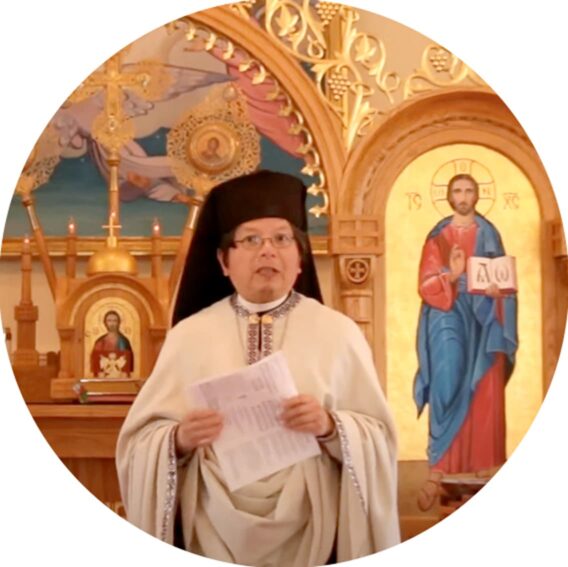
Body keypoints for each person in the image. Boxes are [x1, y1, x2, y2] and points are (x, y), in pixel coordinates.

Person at [116, 170, 400, 565]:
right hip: (210, 534)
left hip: (315, 533)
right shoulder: (190, 336)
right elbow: (137, 444)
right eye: (250, 239)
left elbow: (380, 440)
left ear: (299, 258)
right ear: (223, 260)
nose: (268, 251)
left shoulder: (339, 334)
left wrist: (331, 427)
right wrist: (179, 438)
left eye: (282, 239)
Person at [413, 173, 518, 510]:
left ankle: (486, 468)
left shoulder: (489, 233)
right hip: (446, 315)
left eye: (469, 190)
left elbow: (503, 279)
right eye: (457, 190)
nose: (463, 196)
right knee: (446, 382)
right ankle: (439, 468)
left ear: (476, 196)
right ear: (448, 195)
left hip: (484, 317)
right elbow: (426, 284)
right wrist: (453, 275)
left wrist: (496, 292)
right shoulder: (438, 236)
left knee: (485, 385)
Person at [90, 310, 134, 378]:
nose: (112, 323)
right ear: (105, 323)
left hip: (121, 378)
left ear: (118, 322)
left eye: (114, 320)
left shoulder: (124, 341)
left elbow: (128, 362)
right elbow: (96, 362)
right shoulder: (100, 342)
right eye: (109, 320)